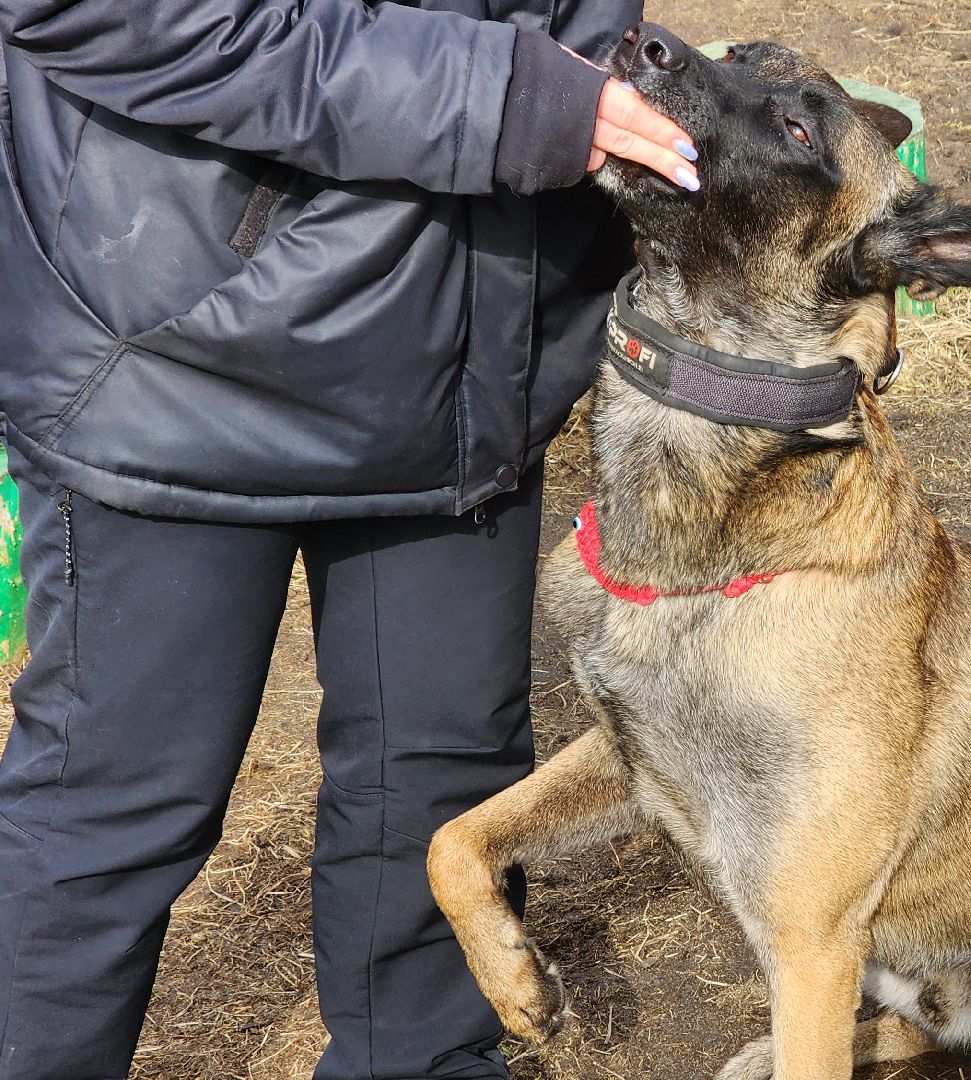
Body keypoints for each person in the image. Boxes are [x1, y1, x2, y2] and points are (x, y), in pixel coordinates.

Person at [0, 2, 697, 1077]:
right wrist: (507, 97)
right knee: (116, 799)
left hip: (474, 340)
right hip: (177, 341)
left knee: (439, 781)